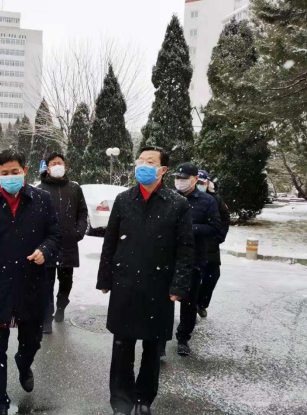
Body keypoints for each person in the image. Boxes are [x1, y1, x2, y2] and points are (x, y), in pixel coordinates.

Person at [97, 147, 194, 415]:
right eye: (140, 161)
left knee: (153, 347)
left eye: (150, 162)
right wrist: (105, 277)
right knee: (122, 346)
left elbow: (186, 249)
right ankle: (121, 400)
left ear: (163, 170)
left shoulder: (177, 204)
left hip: (159, 286)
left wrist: (179, 285)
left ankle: (143, 399)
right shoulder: (123, 199)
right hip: (125, 283)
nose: (143, 165)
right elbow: (110, 242)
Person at [0, 149, 61, 415]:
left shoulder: (42, 199)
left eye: (15, 172)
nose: (10, 176)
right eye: (4, 173)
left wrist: (45, 250)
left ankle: (23, 361)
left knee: (32, 341)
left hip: (32, 284)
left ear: (24, 171)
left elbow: (55, 235)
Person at [170, 162, 222, 357]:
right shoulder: (170, 198)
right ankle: (159, 340)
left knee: (189, 302)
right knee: (164, 300)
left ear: (194, 179)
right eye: (177, 178)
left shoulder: (207, 201)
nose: (179, 181)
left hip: (194, 258)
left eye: (183, 178)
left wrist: (191, 229)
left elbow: (215, 227)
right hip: (169, 257)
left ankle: (183, 338)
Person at [37, 152, 88, 333]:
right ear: (47, 168)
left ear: (65, 166)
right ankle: (47, 317)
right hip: (47, 245)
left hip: (68, 244)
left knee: (66, 281)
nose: (57, 165)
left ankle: (61, 306)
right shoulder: (40, 189)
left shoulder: (74, 188)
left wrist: (78, 232)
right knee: (46, 283)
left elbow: (82, 212)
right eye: (53, 163)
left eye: (60, 162)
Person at [196, 170, 230, 318]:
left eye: (202, 182)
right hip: (192, 245)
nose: (199, 185)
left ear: (208, 183)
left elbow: (225, 219)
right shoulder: (184, 197)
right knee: (193, 277)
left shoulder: (216, 199)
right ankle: (190, 306)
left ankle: (202, 304)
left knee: (212, 276)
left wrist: (220, 236)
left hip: (211, 245)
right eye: (197, 182)